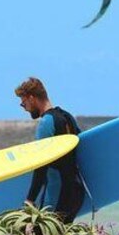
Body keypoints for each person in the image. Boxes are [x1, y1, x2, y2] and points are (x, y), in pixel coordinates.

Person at [15, 76, 85, 222]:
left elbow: (41, 166)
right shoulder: (68, 117)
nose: (25, 108)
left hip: (56, 193)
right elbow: (82, 150)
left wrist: (30, 199)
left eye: (24, 103)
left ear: (32, 98)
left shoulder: (46, 123)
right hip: (75, 193)